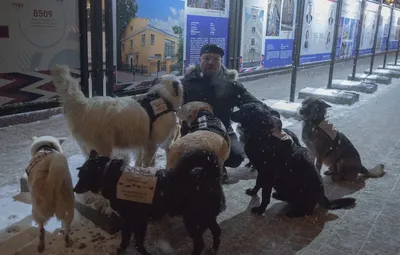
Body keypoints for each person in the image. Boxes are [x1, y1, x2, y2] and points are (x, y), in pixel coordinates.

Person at [180, 43, 261, 183]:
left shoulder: (231, 84)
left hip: (223, 130)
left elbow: (252, 101)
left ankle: (217, 164)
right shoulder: (186, 83)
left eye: (215, 59)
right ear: (200, 59)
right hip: (192, 131)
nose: (210, 62)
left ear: (221, 61)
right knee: (190, 159)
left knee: (236, 157)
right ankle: (207, 167)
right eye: (206, 58)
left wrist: (270, 114)